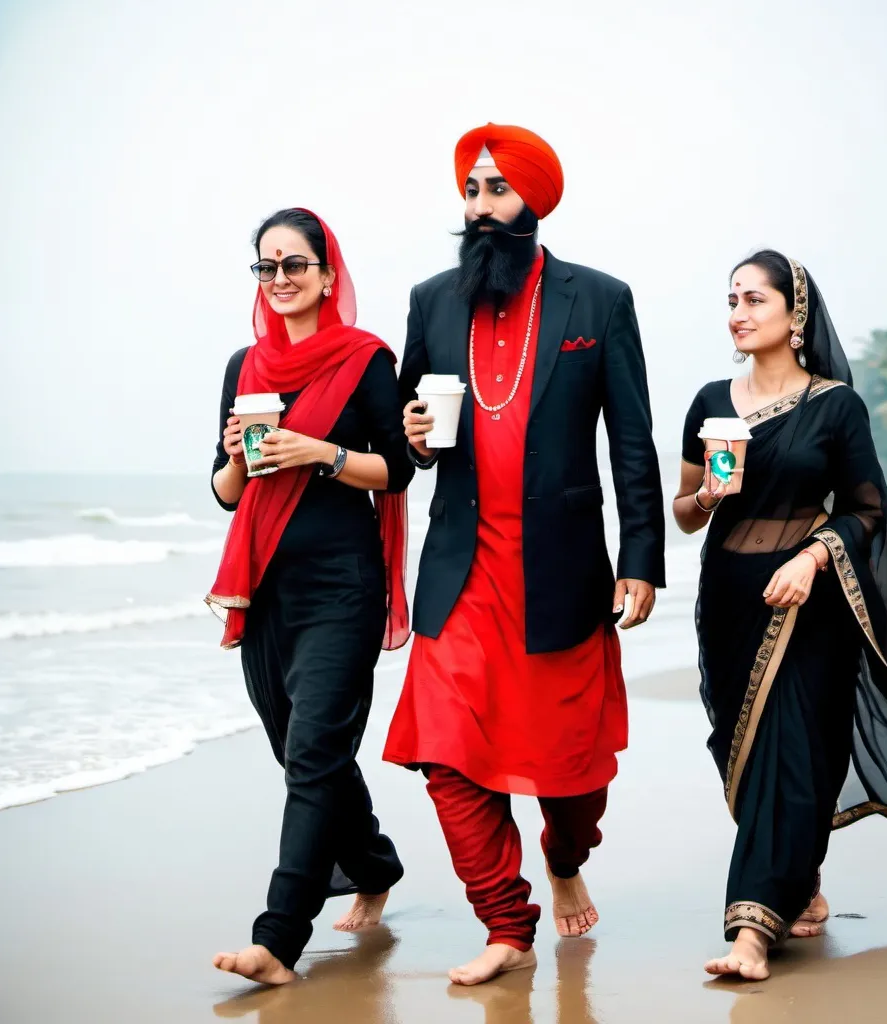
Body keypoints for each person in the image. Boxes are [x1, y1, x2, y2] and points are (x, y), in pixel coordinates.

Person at [383, 123, 666, 986]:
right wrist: (416, 437)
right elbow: (407, 442)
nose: (479, 206)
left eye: (496, 189)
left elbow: (632, 440)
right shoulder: (432, 300)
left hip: (563, 570)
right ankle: (506, 921)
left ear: (533, 202)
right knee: (443, 755)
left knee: (572, 771)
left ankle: (564, 851)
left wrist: (642, 556)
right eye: (470, 190)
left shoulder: (599, 300)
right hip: (460, 572)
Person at [673, 250, 887, 982]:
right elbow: (682, 513)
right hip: (729, 605)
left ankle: (750, 930)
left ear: (795, 314)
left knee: (796, 753)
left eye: (754, 300)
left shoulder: (836, 405)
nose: (738, 313)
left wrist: (811, 559)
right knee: (744, 758)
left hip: (813, 604)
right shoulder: (711, 401)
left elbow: (868, 510)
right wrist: (710, 497)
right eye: (732, 300)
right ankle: (799, 884)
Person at [207, 208, 412, 985]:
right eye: (268, 267)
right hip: (262, 587)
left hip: (342, 585)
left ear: (329, 275)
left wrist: (321, 453)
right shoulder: (244, 366)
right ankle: (373, 861)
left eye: (296, 264)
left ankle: (278, 937)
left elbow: (397, 469)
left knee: (313, 753)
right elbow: (225, 493)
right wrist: (238, 458)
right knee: (300, 749)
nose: (282, 279)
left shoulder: (366, 362)